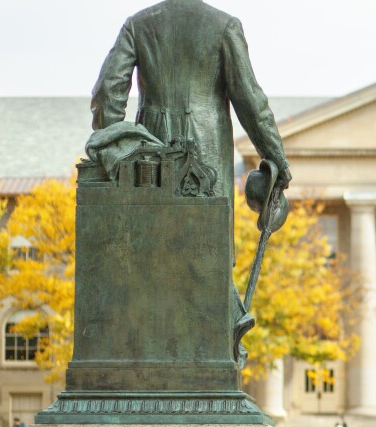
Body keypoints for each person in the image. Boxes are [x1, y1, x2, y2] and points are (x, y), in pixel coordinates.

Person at [91, 0, 291, 360]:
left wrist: (113, 145)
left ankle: (156, 352)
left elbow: (108, 91)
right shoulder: (224, 26)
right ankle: (218, 342)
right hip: (207, 152)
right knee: (207, 252)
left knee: (150, 253)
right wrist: (276, 157)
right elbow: (250, 101)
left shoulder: (139, 24)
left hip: (150, 154)